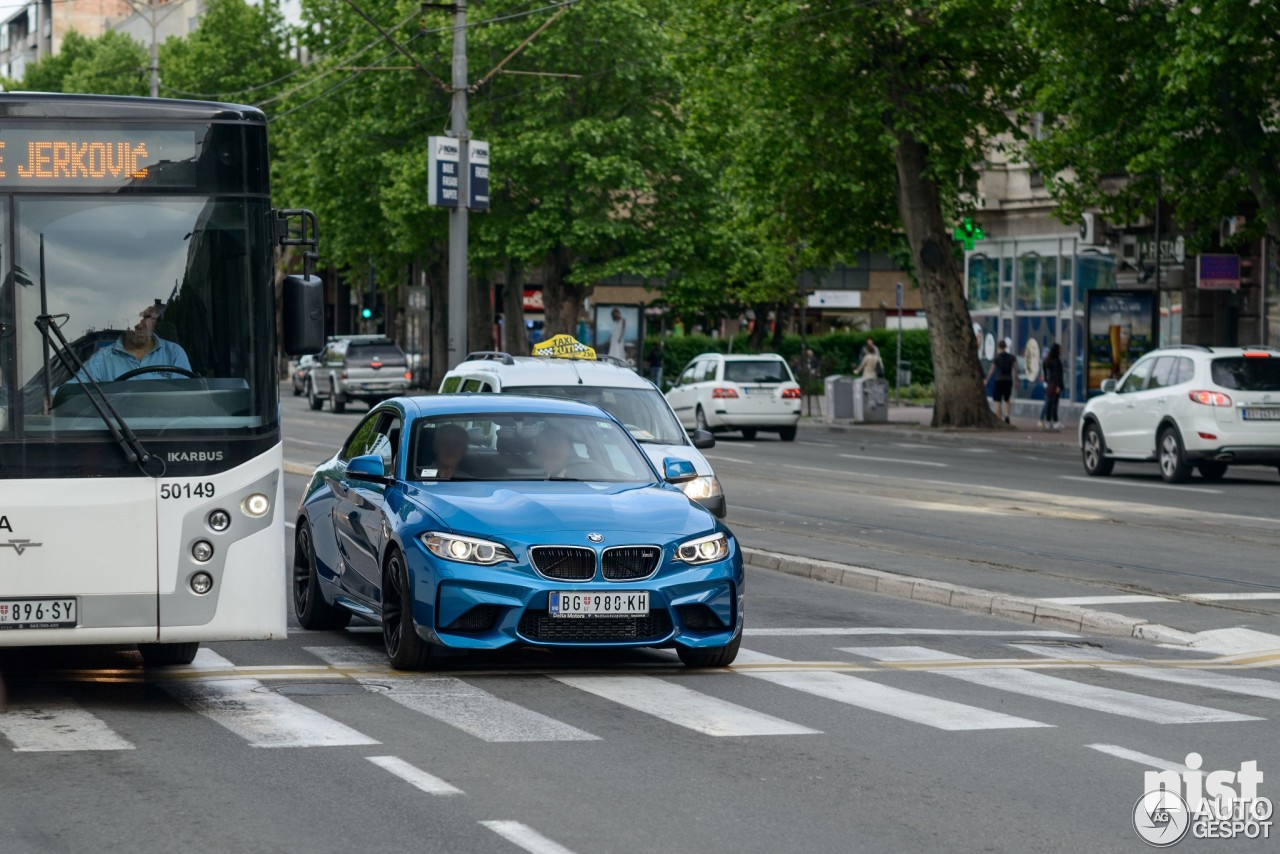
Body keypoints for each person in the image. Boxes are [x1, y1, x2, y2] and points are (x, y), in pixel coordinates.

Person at [75, 301, 192, 383]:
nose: (139, 325)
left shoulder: (174, 354)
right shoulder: (102, 359)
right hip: (114, 419)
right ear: (123, 321)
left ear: (154, 321)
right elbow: (71, 390)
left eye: (146, 317)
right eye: (133, 317)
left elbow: (185, 399)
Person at [985, 338, 1016, 424]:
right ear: (1005, 347)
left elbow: (992, 370)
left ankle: (999, 418)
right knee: (1007, 399)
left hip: (998, 380)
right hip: (1008, 380)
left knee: (997, 400)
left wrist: (987, 379)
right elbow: (1015, 369)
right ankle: (1007, 415)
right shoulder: (1011, 357)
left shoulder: (997, 358)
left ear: (998, 347)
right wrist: (1016, 381)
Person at [1039, 342, 1065, 431]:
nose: (1062, 351)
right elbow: (1058, 374)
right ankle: (1055, 421)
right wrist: (1058, 386)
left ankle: (1048, 421)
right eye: (1060, 349)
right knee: (1054, 403)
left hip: (1049, 384)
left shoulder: (1047, 361)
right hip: (1055, 384)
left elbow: (1045, 372)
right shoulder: (1057, 361)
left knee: (1049, 403)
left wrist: (1047, 380)